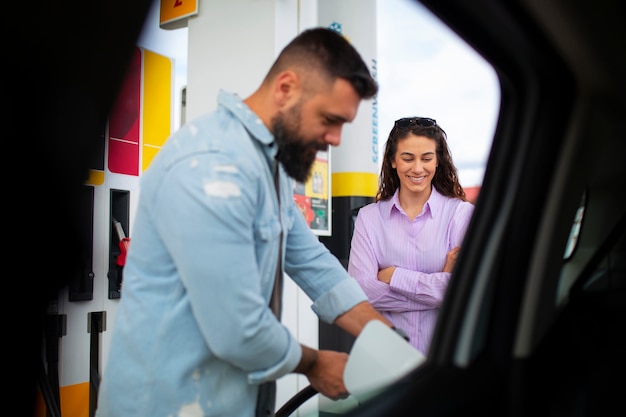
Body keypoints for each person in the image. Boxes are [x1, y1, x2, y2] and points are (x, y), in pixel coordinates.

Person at [95, 27, 394, 417]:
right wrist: (316, 364)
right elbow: (239, 329)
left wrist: (389, 343)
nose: (335, 139)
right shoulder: (213, 165)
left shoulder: (267, 166)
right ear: (286, 88)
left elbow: (313, 264)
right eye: (329, 119)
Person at [347, 117, 474, 355]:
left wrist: (394, 276)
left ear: (438, 162)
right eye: (407, 158)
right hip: (385, 360)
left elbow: (465, 288)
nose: (417, 168)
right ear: (393, 161)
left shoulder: (460, 214)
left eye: (426, 158)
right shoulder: (369, 218)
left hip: (443, 360)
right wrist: (437, 294)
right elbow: (360, 291)